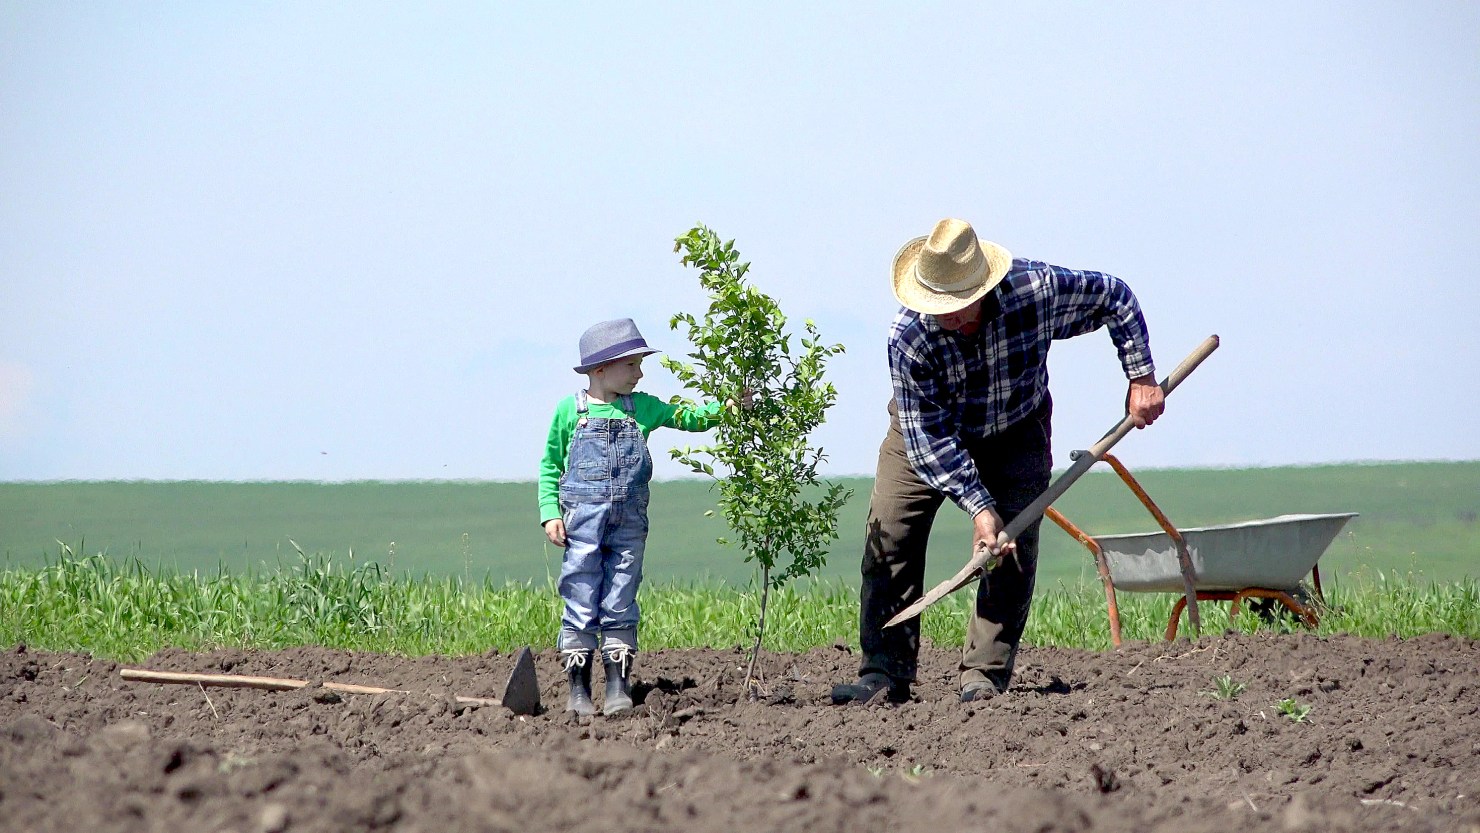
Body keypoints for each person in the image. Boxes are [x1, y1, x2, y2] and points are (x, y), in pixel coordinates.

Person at [831, 218, 1165, 706]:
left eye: (955, 306)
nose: (945, 316)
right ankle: (883, 672)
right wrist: (978, 506)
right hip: (927, 431)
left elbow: (1115, 296)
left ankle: (983, 676)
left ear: (982, 289)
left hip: (1016, 426)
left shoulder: (1035, 290)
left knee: (1012, 544)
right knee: (891, 534)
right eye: (936, 305)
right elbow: (929, 441)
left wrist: (1141, 376)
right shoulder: (909, 336)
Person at [539, 318, 738, 716]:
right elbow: (550, 465)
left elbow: (688, 417)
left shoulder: (642, 407)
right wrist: (549, 513)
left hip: (628, 525)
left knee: (621, 597)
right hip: (582, 525)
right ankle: (578, 691)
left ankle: (618, 687)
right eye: (631, 365)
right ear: (600, 369)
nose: (639, 373)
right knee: (580, 594)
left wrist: (727, 408)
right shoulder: (570, 411)